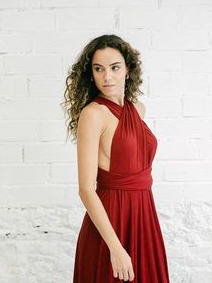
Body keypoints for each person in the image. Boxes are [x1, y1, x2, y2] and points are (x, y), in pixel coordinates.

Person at [62, 34, 170, 282]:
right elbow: (86, 190)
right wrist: (116, 248)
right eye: (98, 69)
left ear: (128, 70)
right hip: (111, 220)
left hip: (144, 216)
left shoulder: (138, 109)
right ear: (91, 74)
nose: (107, 76)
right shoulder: (93, 114)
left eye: (114, 67)